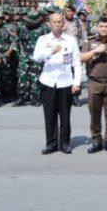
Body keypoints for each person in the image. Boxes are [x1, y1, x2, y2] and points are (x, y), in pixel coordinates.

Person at [32, 13, 82, 154]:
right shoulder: (43, 39)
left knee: (65, 115)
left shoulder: (70, 40)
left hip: (65, 82)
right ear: (49, 24)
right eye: (54, 22)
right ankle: (51, 143)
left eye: (60, 22)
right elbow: (36, 57)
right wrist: (51, 51)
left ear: (63, 24)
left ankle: (65, 143)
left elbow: (76, 63)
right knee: (50, 115)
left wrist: (76, 82)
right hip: (48, 82)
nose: (57, 24)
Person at [80, 17, 107, 153]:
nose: (104, 29)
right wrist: (95, 51)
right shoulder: (89, 41)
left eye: (106, 26)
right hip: (94, 82)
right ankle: (96, 141)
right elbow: (81, 58)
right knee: (94, 114)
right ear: (97, 27)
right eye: (101, 26)